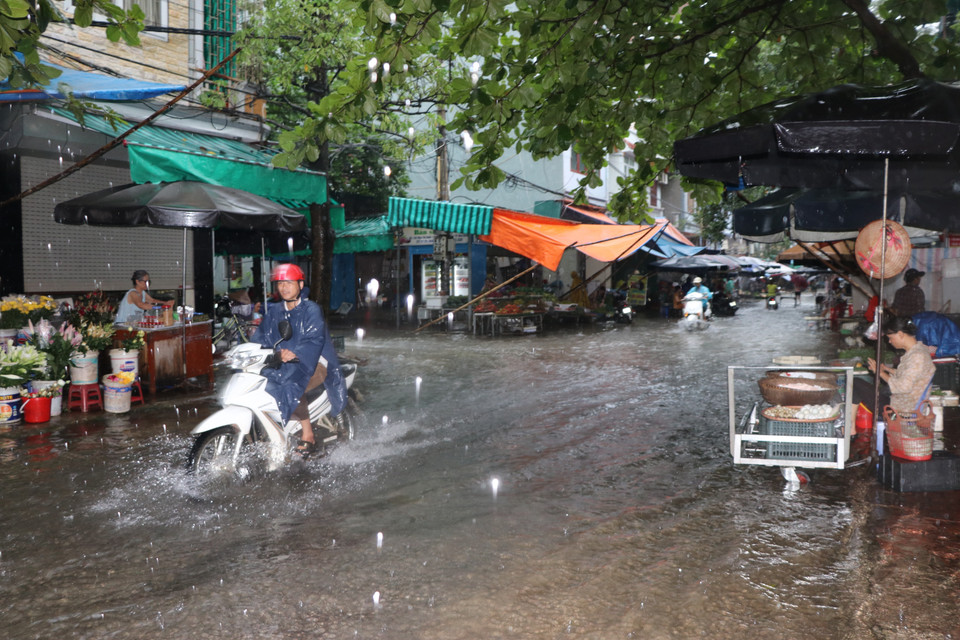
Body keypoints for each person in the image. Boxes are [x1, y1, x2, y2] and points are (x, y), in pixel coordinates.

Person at [250, 264, 347, 458]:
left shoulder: (311, 310)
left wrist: (294, 354)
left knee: (290, 381)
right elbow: (261, 337)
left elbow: (313, 340)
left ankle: (308, 434)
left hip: (316, 362)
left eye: (289, 282)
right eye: (280, 283)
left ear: (300, 285)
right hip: (281, 361)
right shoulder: (274, 311)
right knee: (257, 382)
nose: (284, 287)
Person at [853, 314, 935, 415]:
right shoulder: (918, 350)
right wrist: (886, 369)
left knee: (856, 383)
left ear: (900, 334)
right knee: (870, 388)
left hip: (903, 410)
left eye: (890, 337)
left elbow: (903, 387)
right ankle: (851, 423)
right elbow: (908, 375)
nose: (890, 341)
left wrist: (880, 373)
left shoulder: (917, 356)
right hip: (902, 403)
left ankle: (851, 424)